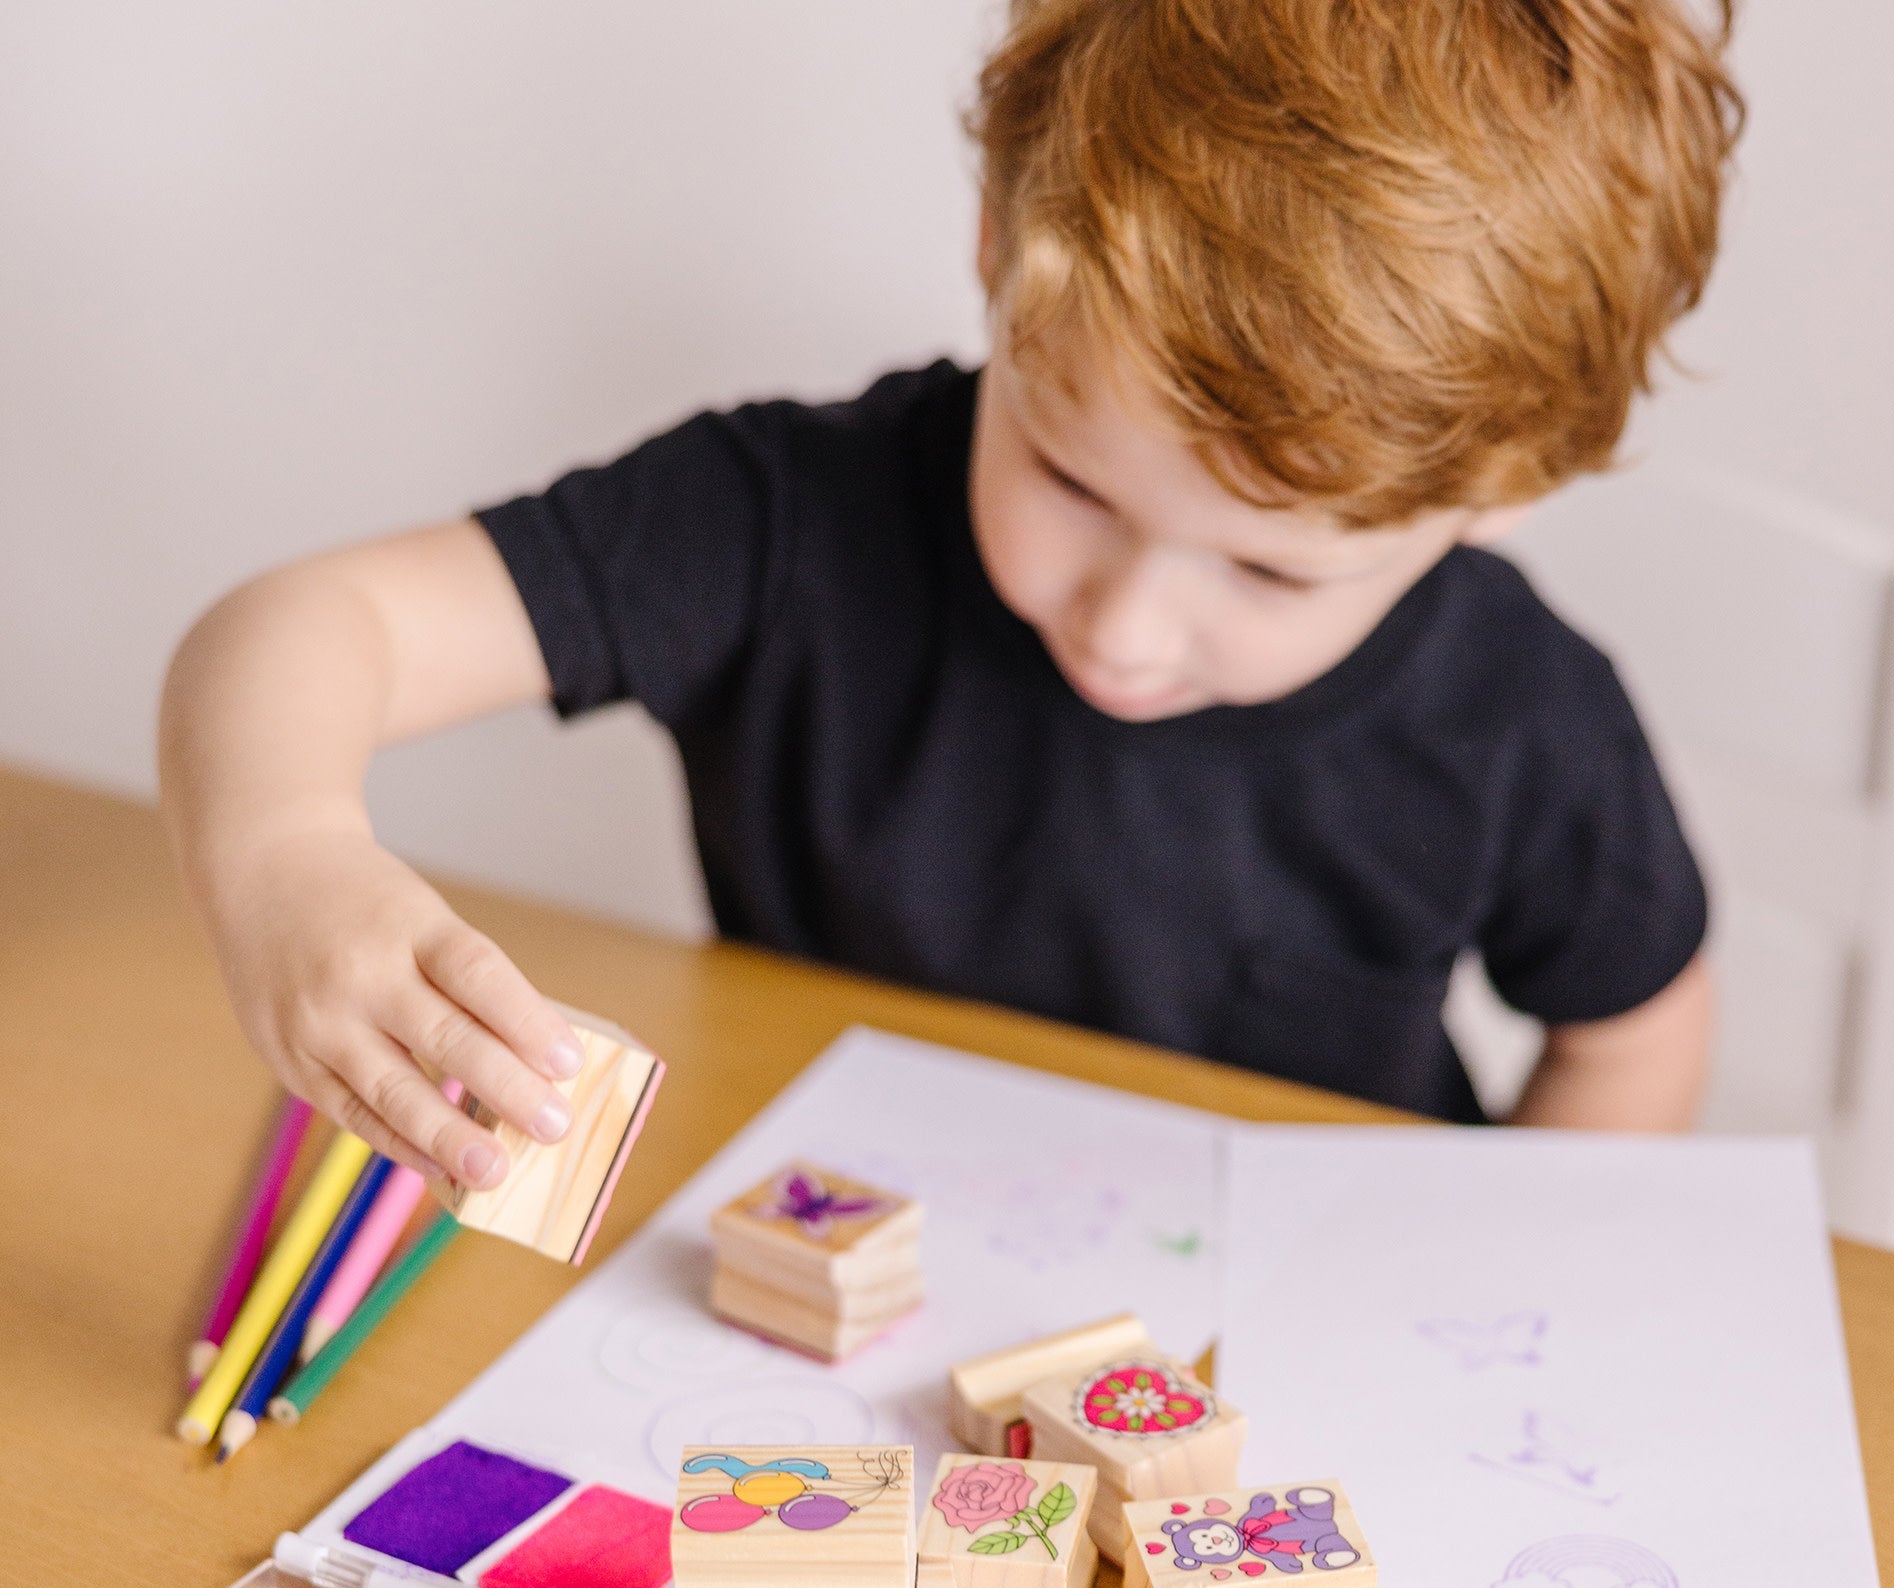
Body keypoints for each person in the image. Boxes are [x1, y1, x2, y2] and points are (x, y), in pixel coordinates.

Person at [159, 0, 1740, 1195]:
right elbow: (311, 628)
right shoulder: (781, 517)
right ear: (997, 250)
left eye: (1268, 569)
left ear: (1493, 495)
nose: (1122, 627)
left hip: (1281, 1379)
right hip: (834, 1289)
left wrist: (1496, 1263)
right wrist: (284, 853)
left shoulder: (1518, 713)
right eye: (1068, 478)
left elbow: (1631, 1030)